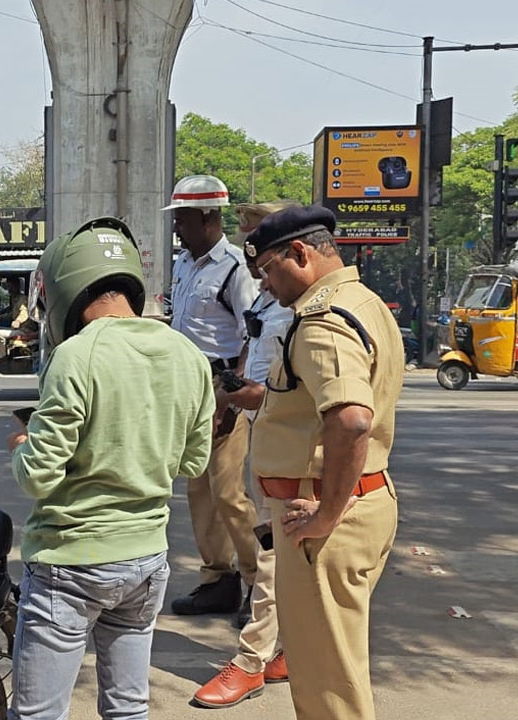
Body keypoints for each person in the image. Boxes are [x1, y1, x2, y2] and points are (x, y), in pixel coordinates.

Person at [7, 217, 213, 720]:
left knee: (37, 714)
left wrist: (22, 445)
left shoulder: (75, 355)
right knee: (127, 707)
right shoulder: (188, 354)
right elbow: (194, 461)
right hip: (146, 559)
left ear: (65, 289)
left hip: (71, 560)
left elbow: (37, 475)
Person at [244, 205, 402, 720]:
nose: (265, 285)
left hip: (325, 518)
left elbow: (351, 420)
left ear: (299, 253)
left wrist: (326, 515)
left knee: (328, 686)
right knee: (333, 669)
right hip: (357, 501)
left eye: (268, 269)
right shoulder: (365, 302)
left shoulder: (323, 321)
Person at [191, 201, 296, 708]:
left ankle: (252, 660)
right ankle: (285, 646)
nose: (253, 260)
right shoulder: (273, 300)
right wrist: (234, 397)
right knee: (276, 542)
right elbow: (252, 350)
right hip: (261, 424)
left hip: (290, 439)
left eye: (259, 246)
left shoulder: (307, 308)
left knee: (269, 545)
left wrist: (257, 398)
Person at [164, 174, 262, 619]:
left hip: (224, 385)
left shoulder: (236, 269)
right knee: (199, 489)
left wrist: (233, 395)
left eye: (182, 219)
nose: (176, 228)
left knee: (228, 492)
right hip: (190, 386)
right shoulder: (184, 264)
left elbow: (252, 336)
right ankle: (217, 579)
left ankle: (258, 582)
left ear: (208, 218)